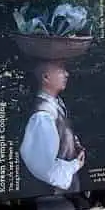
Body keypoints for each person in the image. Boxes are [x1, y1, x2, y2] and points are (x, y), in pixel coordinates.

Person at [19, 59, 85, 191]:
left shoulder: (55, 103)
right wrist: (75, 165)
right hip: (55, 197)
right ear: (46, 77)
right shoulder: (43, 116)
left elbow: (62, 132)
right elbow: (42, 167)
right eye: (61, 69)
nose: (67, 74)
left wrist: (75, 144)